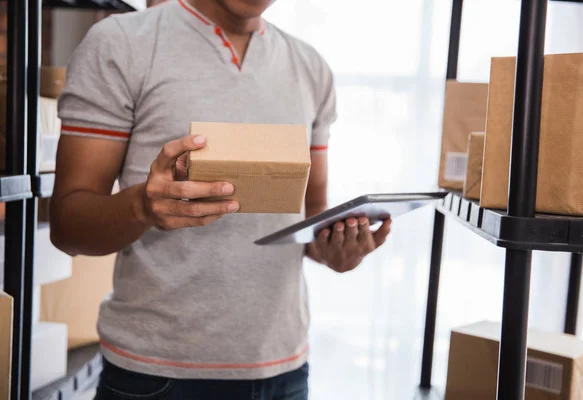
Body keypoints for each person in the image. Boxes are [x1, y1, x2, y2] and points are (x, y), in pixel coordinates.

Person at [50, 0, 392, 399]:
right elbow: (68, 225)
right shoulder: (122, 44)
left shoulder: (310, 66)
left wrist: (336, 250)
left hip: (283, 369)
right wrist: (141, 206)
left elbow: (312, 213)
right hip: (155, 375)